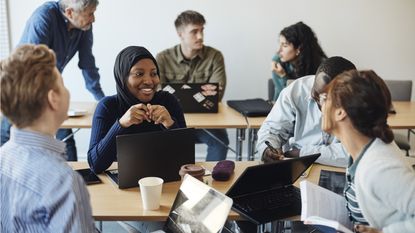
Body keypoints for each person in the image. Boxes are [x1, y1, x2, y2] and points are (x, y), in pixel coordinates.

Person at [0, 44, 95, 232]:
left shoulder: (2, 157)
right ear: (53, 98)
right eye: (62, 83)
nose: (67, 91)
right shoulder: (64, 183)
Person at [0, 0, 105, 161]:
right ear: (70, 12)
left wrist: (102, 100)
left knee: (65, 132)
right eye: (90, 13)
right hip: (21, 84)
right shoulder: (44, 18)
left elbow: (87, 64)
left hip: (50, 83)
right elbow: (35, 66)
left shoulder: (84, 26)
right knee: (9, 132)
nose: (93, 19)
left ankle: (74, 176)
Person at [320, 70, 415, 233]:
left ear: (341, 112)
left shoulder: (380, 169)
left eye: (325, 99)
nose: (321, 106)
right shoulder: (359, 150)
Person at [88, 46, 186, 174]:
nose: (149, 81)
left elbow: (187, 161)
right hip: (125, 185)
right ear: (123, 78)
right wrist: (121, 124)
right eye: (139, 74)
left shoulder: (168, 101)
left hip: (165, 182)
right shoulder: (107, 106)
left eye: (154, 73)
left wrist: (170, 124)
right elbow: (95, 165)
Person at [156, 10, 229, 161]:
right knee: (155, 140)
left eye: (202, 31)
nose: (200, 36)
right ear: (180, 34)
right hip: (172, 120)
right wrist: (200, 94)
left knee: (221, 142)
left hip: (206, 122)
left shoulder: (215, 56)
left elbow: (217, 95)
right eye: (194, 32)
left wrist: (178, 95)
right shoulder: (163, 58)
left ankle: (211, 181)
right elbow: (157, 94)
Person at [257, 56, 356, 167]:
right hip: (296, 167)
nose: (321, 106)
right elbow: (272, 130)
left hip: (339, 170)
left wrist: (301, 153)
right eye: (315, 96)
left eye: (326, 99)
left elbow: (354, 153)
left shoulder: (360, 102)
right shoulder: (296, 91)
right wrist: (268, 150)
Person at [271, 21, 327, 101]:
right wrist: (281, 75)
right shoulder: (279, 65)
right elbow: (284, 99)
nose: (278, 50)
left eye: (284, 45)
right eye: (280, 44)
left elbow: (300, 101)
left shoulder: (322, 68)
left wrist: (283, 77)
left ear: (299, 49)